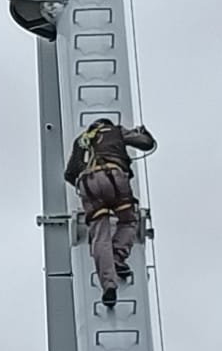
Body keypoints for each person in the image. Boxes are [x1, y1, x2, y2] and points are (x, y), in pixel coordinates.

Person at [64, 116, 157, 307]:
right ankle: (117, 258)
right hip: (113, 177)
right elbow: (147, 145)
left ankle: (108, 285)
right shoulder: (115, 131)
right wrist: (144, 133)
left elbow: (69, 174)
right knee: (128, 220)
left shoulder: (81, 140)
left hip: (88, 184)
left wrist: (86, 188)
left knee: (100, 234)